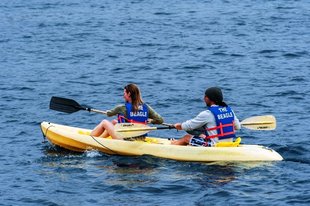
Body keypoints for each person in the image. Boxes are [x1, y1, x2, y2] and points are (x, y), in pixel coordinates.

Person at [171, 87, 241, 146]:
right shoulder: (229, 110)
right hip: (229, 144)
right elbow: (238, 127)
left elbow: (188, 126)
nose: (204, 98)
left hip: (214, 145)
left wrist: (178, 126)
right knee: (202, 128)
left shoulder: (207, 114)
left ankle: (172, 145)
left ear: (209, 98)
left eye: (205, 96)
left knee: (186, 138)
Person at [90, 83, 164, 140]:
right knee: (114, 122)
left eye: (124, 93)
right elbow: (160, 120)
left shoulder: (122, 108)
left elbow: (109, 114)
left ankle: (90, 139)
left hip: (125, 139)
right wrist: (150, 121)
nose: (123, 95)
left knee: (104, 122)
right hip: (140, 138)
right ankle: (100, 140)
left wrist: (108, 112)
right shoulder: (146, 107)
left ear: (129, 94)